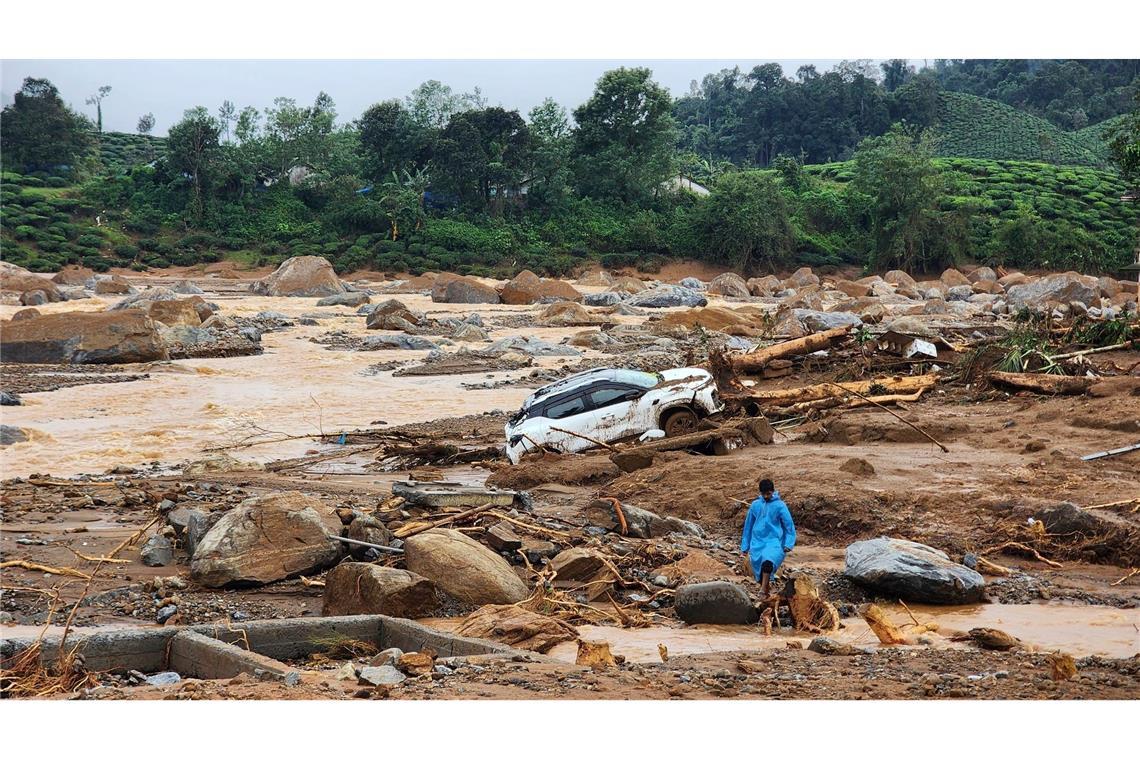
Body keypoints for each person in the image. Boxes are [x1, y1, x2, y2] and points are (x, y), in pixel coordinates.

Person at [739, 478, 796, 598]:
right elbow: (748, 526)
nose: (766, 496)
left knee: (767, 563)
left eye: (768, 494)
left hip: (774, 542)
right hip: (757, 542)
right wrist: (745, 546)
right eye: (763, 494)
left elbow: (789, 526)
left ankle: (762, 590)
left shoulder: (780, 506)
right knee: (758, 569)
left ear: (773, 491)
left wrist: (788, 543)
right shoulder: (755, 505)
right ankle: (766, 590)